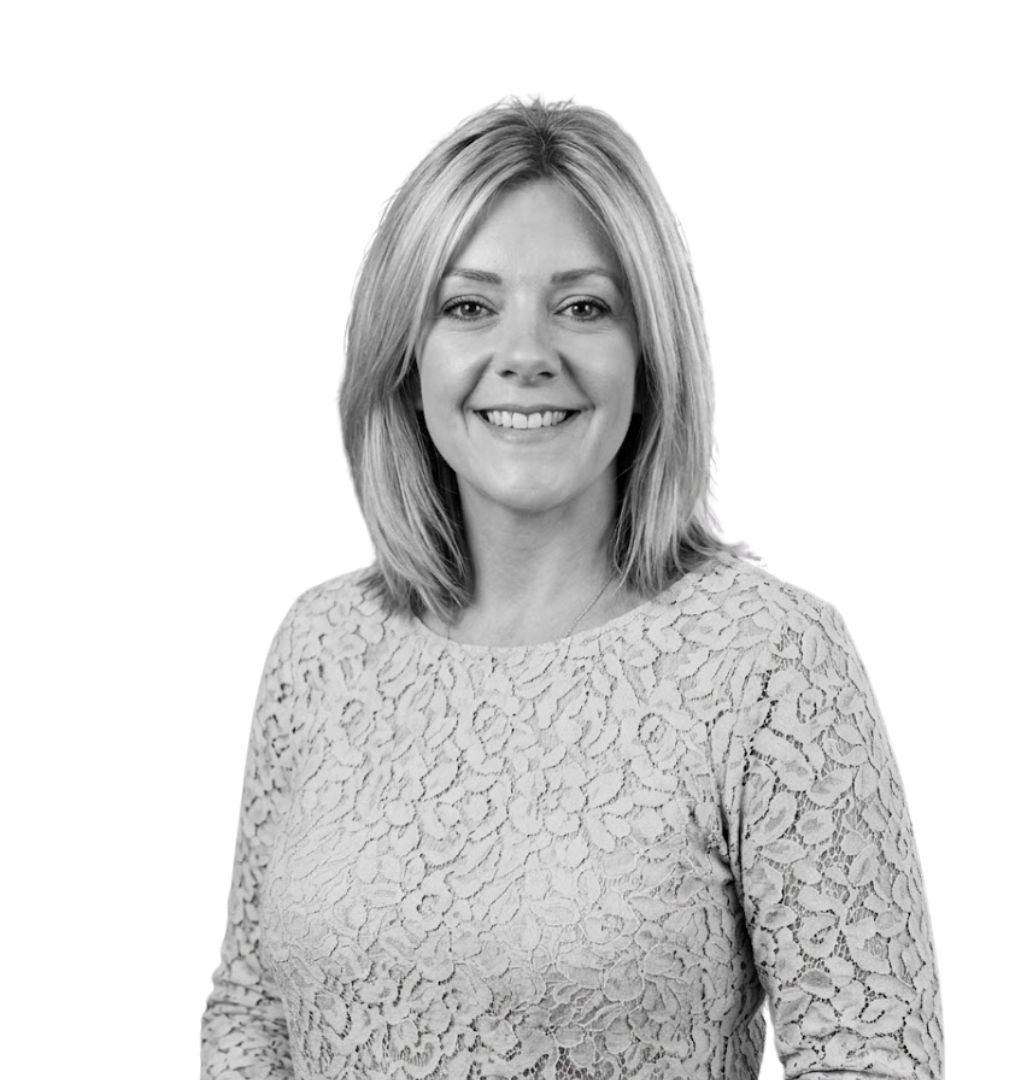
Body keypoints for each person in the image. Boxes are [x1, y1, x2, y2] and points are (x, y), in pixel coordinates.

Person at [202, 99, 943, 1079]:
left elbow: (871, 1057)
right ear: (404, 353)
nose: (526, 352)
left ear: (650, 348)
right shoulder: (322, 646)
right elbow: (252, 1014)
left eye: (583, 305)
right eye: (469, 306)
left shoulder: (768, 659)